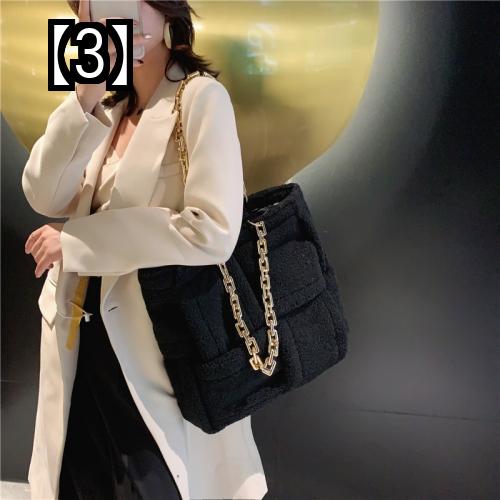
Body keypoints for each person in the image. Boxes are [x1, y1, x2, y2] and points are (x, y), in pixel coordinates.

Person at [22, 1, 268, 499]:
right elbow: (43, 194)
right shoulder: (107, 109)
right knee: (80, 480)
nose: (120, 14)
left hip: (155, 347)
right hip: (82, 338)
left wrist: (77, 242)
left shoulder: (200, 98)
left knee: (151, 482)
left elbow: (213, 229)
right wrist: (84, 99)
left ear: (166, 11)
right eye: (101, 5)